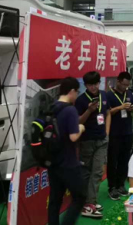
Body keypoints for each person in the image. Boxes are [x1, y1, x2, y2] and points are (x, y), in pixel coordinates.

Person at [48, 77, 86, 225]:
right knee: (80, 196)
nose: (77, 95)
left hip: (53, 161)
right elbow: (73, 137)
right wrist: (81, 128)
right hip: (68, 162)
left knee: (55, 200)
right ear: (71, 91)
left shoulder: (51, 107)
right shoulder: (70, 110)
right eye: (77, 92)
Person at [75, 72, 110, 218]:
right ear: (85, 85)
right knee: (86, 173)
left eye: (96, 84)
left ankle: (91, 202)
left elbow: (108, 113)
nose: (94, 87)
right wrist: (89, 110)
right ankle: (85, 203)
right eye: (90, 85)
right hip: (87, 141)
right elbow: (78, 122)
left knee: (97, 172)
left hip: (102, 140)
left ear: (99, 82)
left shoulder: (104, 95)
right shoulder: (81, 100)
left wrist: (107, 132)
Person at [107, 71, 133, 200]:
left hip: (127, 132)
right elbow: (108, 112)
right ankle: (112, 187)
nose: (125, 87)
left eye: (127, 85)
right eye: (124, 84)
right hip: (114, 133)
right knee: (113, 161)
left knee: (125, 160)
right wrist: (120, 107)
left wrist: (132, 108)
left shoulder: (129, 93)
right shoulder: (109, 95)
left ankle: (120, 185)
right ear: (118, 81)